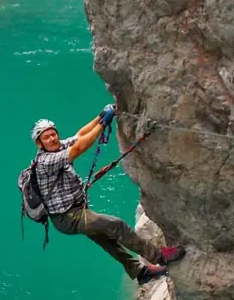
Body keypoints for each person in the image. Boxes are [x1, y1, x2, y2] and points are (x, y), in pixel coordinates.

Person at [31, 105, 185, 284]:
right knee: (116, 226)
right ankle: (160, 257)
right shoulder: (46, 161)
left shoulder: (56, 148)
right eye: (46, 137)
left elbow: (79, 136)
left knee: (107, 240)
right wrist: (103, 125)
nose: (52, 138)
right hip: (68, 217)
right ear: (39, 143)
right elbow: (78, 148)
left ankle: (140, 271)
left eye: (53, 134)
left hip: (74, 211)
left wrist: (100, 117)